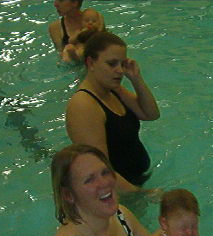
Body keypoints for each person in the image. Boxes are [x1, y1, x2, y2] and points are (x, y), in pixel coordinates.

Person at [65, 31, 160, 193]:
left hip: (134, 185)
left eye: (122, 64)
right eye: (112, 64)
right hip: (115, 193)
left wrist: (136, 78)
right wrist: (141, 195)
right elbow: (99, 170)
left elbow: (151, 114)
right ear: (90, 63)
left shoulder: (113, 90)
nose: (120, 70)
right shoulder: (84, 105)